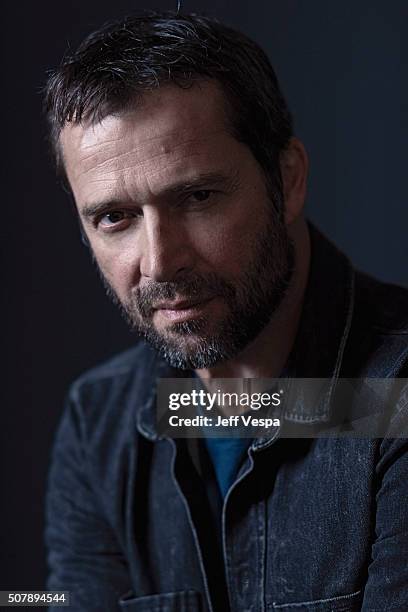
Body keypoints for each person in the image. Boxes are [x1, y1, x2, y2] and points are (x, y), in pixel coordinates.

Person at [44, 11, 408, 611]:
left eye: (198, 197)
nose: (160, 263)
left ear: (286, 180)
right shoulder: (97, 424)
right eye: (115, 217)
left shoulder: (396, 393)